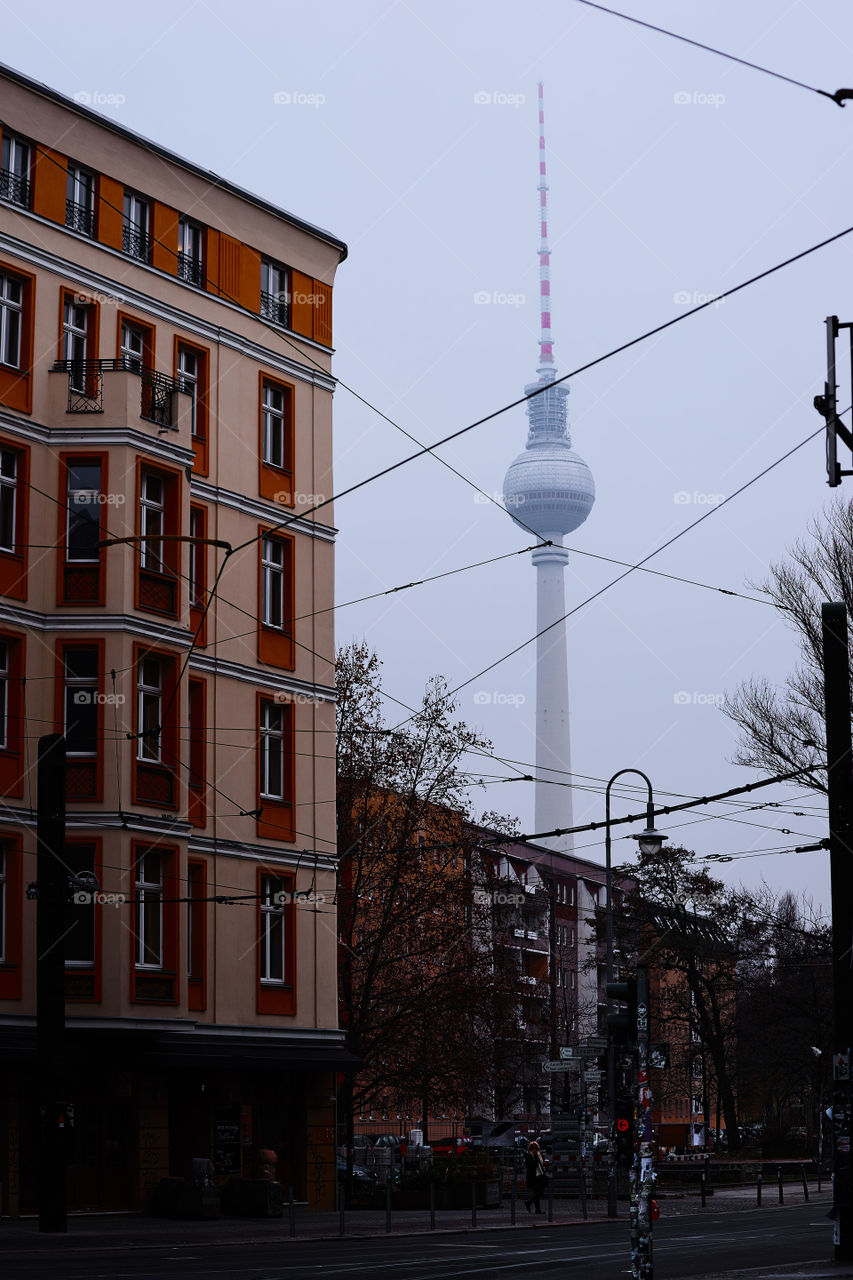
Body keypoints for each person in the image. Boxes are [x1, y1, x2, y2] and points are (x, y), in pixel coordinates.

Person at [524, 1139, 548, 1214]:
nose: (537, 1151)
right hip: (534, 1177)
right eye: (535, 1149)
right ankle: (536, 1208)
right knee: (538, 1193)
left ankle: (531, 1204)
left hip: (539, 1176)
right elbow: (532, 1166)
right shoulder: (529, 1156)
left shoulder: (536, 1155)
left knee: (539, 1193)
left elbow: (540, 1165)